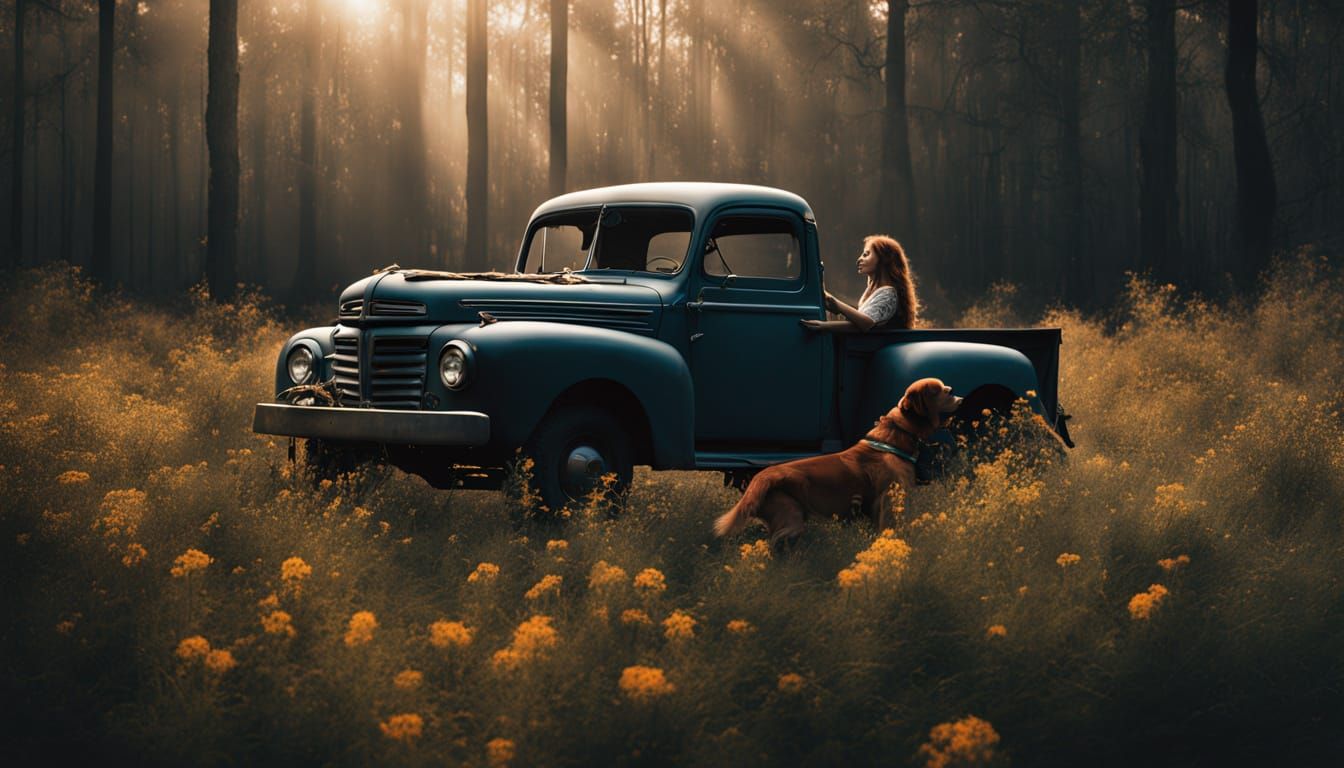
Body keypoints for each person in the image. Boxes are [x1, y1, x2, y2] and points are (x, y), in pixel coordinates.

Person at [802, 235, 918, 332]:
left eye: (866, 254)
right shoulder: (874, 291)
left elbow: (866, 323)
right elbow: (858, 325)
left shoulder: (888, 293)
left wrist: (833, 305)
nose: (859, 259)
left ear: (884, 258)